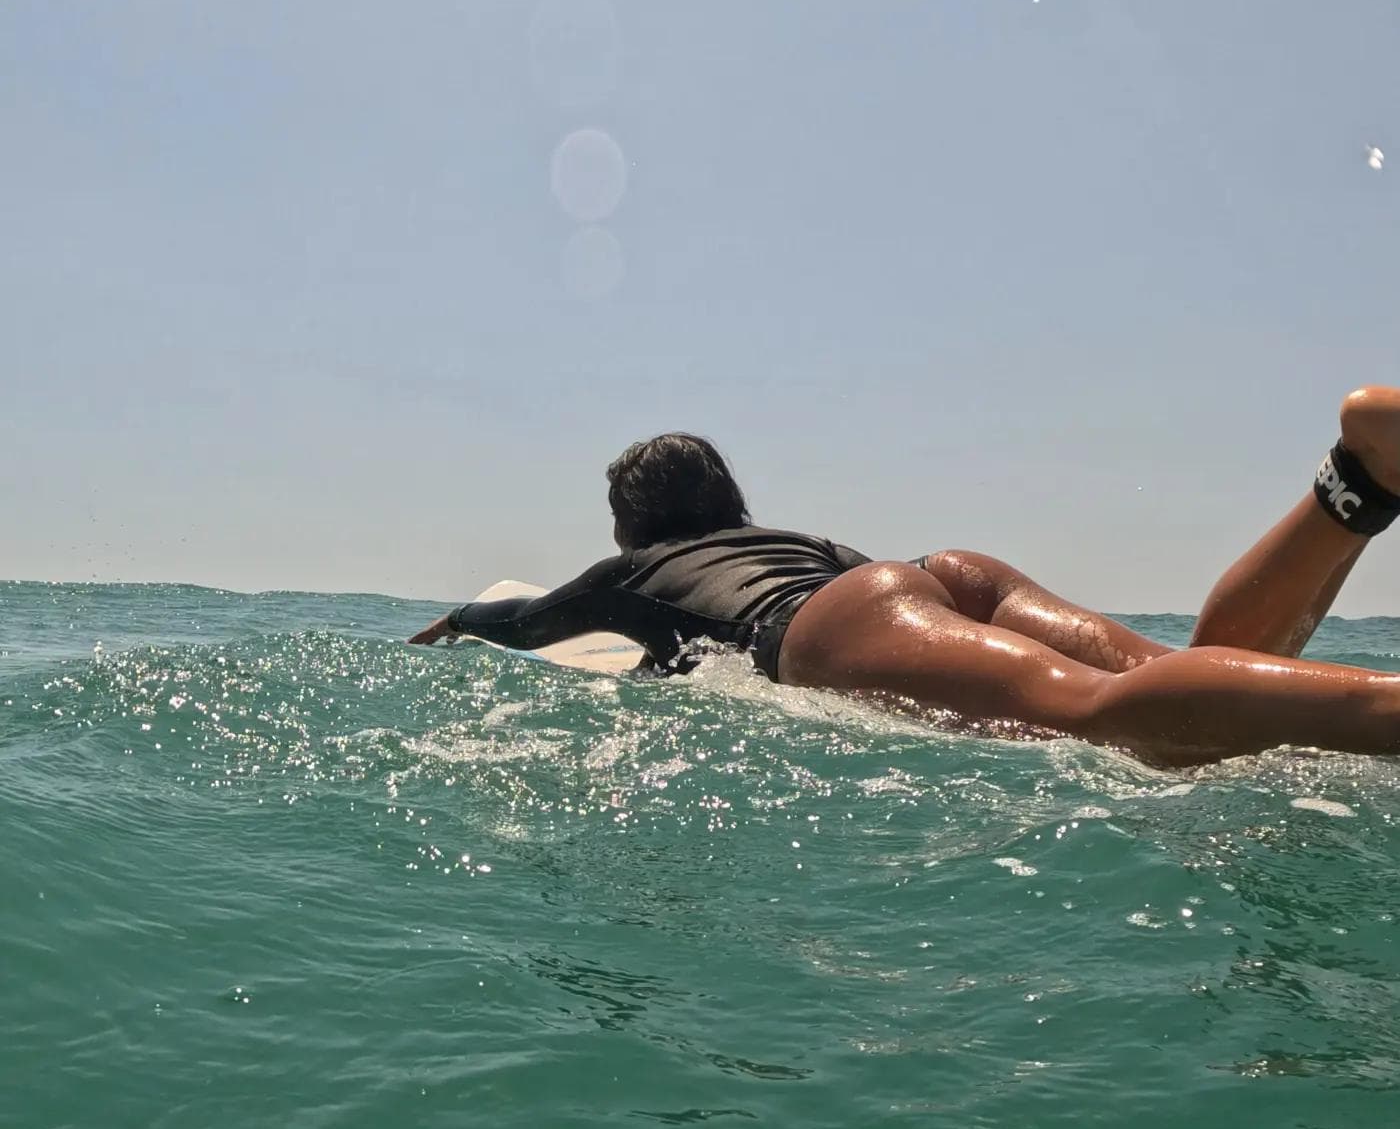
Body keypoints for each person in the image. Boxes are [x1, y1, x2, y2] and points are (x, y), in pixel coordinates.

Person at [408, 389, 1400, 769]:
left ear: (630, 527)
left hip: (828, 624)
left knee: (1106, 715)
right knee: (1185, 677)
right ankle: (1354, 482)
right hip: (933, 574)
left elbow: (517, 616)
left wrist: (457, 620)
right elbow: (899, 590)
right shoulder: (781, 536)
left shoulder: (632, 571)